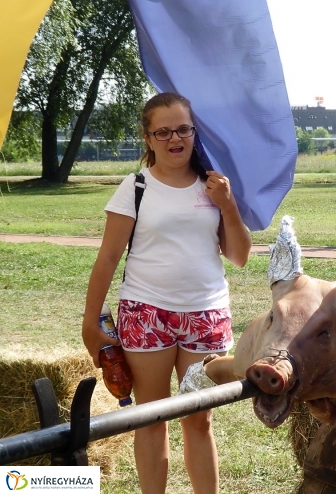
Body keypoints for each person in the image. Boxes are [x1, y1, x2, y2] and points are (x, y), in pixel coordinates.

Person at [82, 92, 251, 494]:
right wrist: (91, 321)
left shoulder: (215, 186)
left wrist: (227, 206)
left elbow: (240, 256)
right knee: (150, 419)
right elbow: (107, 259)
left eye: (183, 129)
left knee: (199, 420)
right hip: (146, 314)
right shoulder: (135, 187)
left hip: (205, 315)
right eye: (163, 131)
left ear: (195, 132)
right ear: (148, 137)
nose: (175, 138)